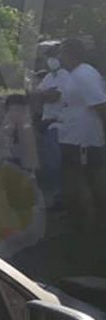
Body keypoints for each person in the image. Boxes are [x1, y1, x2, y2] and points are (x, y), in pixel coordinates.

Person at [44, 38, 106, 256]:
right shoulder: (74, 75)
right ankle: (80, 222)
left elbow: (100, 106)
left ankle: (89, 228)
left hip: (84, 139)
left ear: (71, 54)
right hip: (72, 135)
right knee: (74, 178)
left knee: (84, 180)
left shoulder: (84, 75)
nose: (58, 57)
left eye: (62, 53)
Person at [34, 51, 69, 208]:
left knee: (58, 163)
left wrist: (43, 94)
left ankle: (61, 197)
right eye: (48, 57)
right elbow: (35, 94)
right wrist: (43, 94)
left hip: (61, 124)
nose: (51, 60)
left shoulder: (65, 75)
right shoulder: (49, 77)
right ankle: (56, 195)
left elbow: (53, 96)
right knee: (49, 162)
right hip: (46, 122)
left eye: (53, 56)